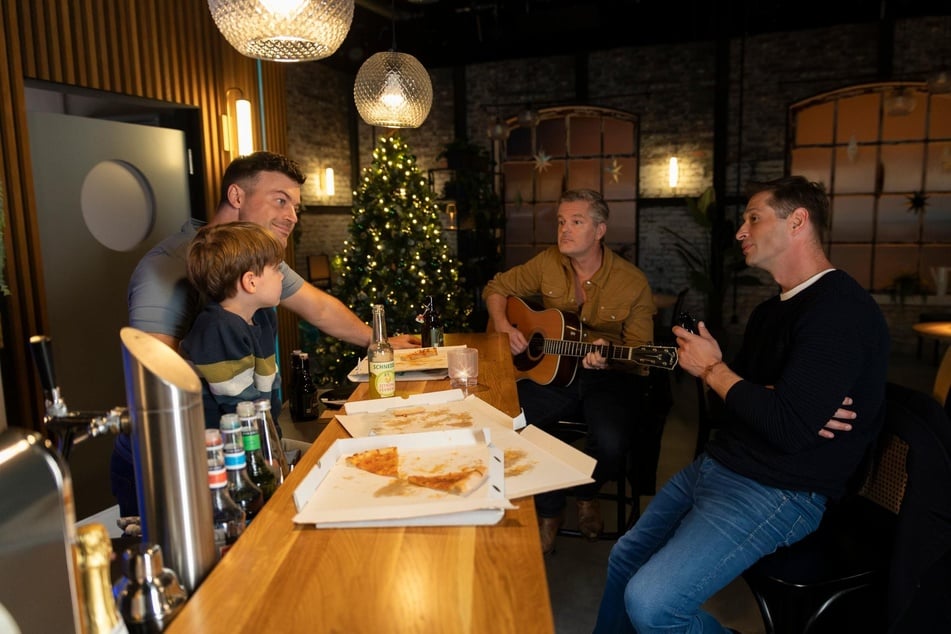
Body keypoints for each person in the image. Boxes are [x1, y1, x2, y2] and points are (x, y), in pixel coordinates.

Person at [593, 176, 890, 633]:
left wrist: (719, 373)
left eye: (754, 217)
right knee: (624, 556)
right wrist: (770, 396)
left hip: (778, 489)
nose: (740, 231)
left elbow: (786, 427)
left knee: (652, 604)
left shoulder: (840, 311)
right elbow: (742, 407)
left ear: (797, 221)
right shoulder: (770, 312)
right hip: (722, 463)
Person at [111, 151, 419, 516]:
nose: (291, 216)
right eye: (280, 200)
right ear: (237, 196)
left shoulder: (254, 259)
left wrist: (378, 341)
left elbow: (318, 307)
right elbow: (155, 374)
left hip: (241, 446)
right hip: (171, 464)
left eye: (295, 206)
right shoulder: (166, 268)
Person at [483, 188, 657, 554]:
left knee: (611, 443)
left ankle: (585, 493)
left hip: (608, 376)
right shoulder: (548, 262)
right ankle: (550, 510)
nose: (564, 230)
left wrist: (609, 353)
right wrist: (502, 324)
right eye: (561, 222)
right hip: (551, 373)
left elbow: (641, 353)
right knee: (509, 424)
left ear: (600, 230)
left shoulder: (632, 282)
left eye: (576, 222)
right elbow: (497, 288)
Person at [179, 222, 285, 428]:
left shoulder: (264, 317)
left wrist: (274, 443)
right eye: (276, 269)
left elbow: (270, 392)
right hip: (222, 446)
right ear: (250, 282)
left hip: (258, 432)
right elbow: (241, 408)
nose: (281, 276)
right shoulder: (219, 329)